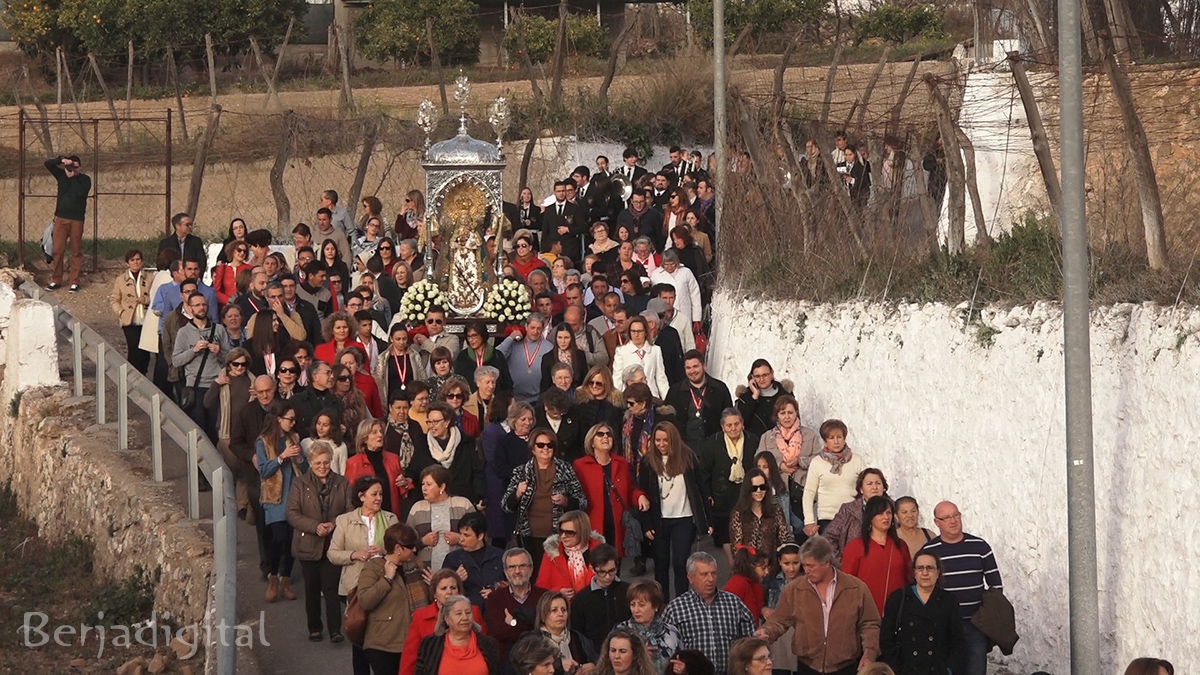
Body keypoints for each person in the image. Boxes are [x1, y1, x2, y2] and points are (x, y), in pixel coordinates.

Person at [754, 535, 881, 675]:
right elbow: (779, 620)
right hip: (807, 667)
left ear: (827, 563)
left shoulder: (856, 588)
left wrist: (869, 654)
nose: (806, 570)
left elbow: (870, 624)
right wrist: (766, 632)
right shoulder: (795, 589)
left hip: (845, 667)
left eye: (811, 566)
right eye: (804, 565)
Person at [919, 502, 1003, 675]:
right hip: (942, 626)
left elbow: (996, 585)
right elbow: (921, 587)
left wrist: (985, 616)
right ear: (936, 522)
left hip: (975, 626)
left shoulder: (980, 546)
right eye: (947, 517)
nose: (953, 521)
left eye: (956, 515)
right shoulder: (929, 552)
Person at [287, 440, 353, 641]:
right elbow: (292, 513)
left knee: (332, 589)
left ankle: (335, 630)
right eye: (318, 463)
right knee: (312, 589)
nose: (322, 467)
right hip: (308, 544)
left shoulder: (342, 483)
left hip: (333, 543)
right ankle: (314, 627)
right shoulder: (300, 483)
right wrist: (315, 526)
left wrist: (334, 523)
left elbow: (349, 509)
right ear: (310, 463)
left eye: (325, 462)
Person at [503, 428, 588, 578]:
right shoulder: (521, 472)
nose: (545, 449)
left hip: (559, 537)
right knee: (534, 577)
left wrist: (566, 501)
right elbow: (506, 506)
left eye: (550, 445)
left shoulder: (565, 469)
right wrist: (517, 494)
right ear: (533, 449)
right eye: (540, 445)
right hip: (529, 537)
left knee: (557, 577)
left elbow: (582, 502)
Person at [639, 423, 709, 599]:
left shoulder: (688, 458)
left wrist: (708, 521)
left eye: (666, 440)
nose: (661, 444)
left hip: (684, 518)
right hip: (659, 520)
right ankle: (661, 604)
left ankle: (681, 601)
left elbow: (701, 489)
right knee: (660, 564)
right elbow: (643, 493)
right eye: (658, 440)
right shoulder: (648, 462)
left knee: (680, 563)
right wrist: (646, 524)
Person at [663, 551, 755, 673]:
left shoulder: (734, 602)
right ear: (690, 577)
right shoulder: (676, 608)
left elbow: (749, 641)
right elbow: (665, 649)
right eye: (704, 574)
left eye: (713, 573)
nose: (710, 579)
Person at [357, 523, 427, 675]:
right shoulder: (374, 567)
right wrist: (387, 579)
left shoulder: (415, 566)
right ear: (397, 548)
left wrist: (434, 584)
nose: (415, 549)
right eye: (410, 546)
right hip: (383, 645)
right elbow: (365, 600)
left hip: (412, 643)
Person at [255, 403, 308, 602]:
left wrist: (299, 458)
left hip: (293, 493)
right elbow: (264, 471)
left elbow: (303, 467)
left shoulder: (294, 439)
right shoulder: (263, 442)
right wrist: (282, 457)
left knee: (291, 540)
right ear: (279, 420)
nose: (293, 423)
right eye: (290, 419)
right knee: (279, 536)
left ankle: (285, 579)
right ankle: (273, 576)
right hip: (274, 496)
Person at [574, 422, 648, 564]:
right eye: (600, 434)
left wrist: (640, 496)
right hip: (592, 526)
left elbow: (631, 489)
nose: (605, 437)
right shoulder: (580, 465)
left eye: (609, 434)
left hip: (617, 525)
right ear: (592, 441)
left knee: (614, 566)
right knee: (595, 567)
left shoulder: (621, 463)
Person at [880, 551, 963, 675]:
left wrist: (948, 669)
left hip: (937, 670)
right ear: (914, 572)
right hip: (906, 670)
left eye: (930, 568)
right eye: (920, 568)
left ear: (938, 572)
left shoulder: (949, 601)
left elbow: (957, 641)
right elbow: (886, 638)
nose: (925, 573)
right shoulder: (898, 599)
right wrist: (896, 669)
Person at [698, 408, 759, 566]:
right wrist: (708, 495)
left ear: (742, 424)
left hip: (746, 492)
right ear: (723, 427)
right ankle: (733, 566)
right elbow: (704, 471)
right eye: (729, 425)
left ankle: (747, 563)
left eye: (736, 424)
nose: (733, 428)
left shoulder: (753, 440)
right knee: (725, 533)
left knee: (747, 530)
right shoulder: (713, 442)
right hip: (721, 494)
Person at [400, 572, 488, 675]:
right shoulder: (420, 616)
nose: (449, 592)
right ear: (434, 593)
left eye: (453, 588)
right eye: (443, 588)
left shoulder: (473, 611)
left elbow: (486, 647)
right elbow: (410, 658)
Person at [841, 496, 913, 614]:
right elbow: (846, 582)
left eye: (888, 513)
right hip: (865, 611)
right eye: (880, 513)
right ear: (870, 517)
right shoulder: (856, 546)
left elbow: (908, 578)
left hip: (898, 610)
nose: (886, 517)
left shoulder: (900, 545)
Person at [173, 292, 231, 440]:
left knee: (214, 429)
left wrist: (219, 352)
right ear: (190, 308)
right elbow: (176, 361)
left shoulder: (219, 330)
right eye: (197, 305)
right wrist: (194, 350)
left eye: (204, 304)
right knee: (199, 430)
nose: (201, 308)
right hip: (195, 386)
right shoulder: (184, 332)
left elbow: (230, 359)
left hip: (216, 385)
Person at [408, 402, 486, 505]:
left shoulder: (465, 442)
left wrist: (479, 495)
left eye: (436, 422)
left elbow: (477, 471)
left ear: (447, 422)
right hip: (432, 502)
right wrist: (407, 479)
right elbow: (414, 471)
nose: (432, 426)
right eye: (429, 422)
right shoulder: (422, 444)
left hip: (461, 501)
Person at [759, 394, 820, 521]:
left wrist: (800, 461)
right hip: (777, 489)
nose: (787, 417)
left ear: (796, 413)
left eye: (790, 412)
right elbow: (759, 460)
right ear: (777, 415)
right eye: (783, 413)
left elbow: (818, 459)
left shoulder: (809, 434)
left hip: (803, 487)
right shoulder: (767, 437)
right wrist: (780, 466)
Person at [802, 419, 867, 537]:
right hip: (827, 518)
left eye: (839, 437)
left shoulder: (857, 460)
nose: (836, 441)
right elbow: (809, 493)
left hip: (854, 518)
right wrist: (809, 521)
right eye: (831, 438)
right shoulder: (817, 462)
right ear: (825, 440)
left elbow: (866, 488)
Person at [407, 464, 477, 570]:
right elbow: (406, 543)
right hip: (425, 571)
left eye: (429, 484)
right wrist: (423, 542)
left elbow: (479, 538)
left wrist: (460, 539)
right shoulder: (417, 509)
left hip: (459, 570)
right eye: (423, 484)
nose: (424, 488)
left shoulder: (463, 505)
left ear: (442, 487)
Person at [412, 594, 502, 674]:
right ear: (447, 619)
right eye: (459, 613)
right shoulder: (430, 645)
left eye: (468, 613)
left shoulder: (489, 644)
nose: (465, 617)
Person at [485, 548, 548, 660]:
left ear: (531, 569)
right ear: (505, 571)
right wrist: (532, 626)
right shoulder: (494, 598)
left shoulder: (544, 597)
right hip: (507, 661)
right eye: (512, 567)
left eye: (522, 566)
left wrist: (513, 623)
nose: (517, 571)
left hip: (540, 659)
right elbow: (500, 632)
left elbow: (548, 630)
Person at [569, 543, 631, 650]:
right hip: (594, 656)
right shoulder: (581, 599)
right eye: (602, 572)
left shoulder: (628, 591)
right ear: (593, 569)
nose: (607, 577)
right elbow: (577, 634)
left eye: (612, 571)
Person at [665, 351, 731, 449]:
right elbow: (667, 422)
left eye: (695, 366)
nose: (692, 371)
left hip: (714, 448)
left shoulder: (719, 388)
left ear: (704, 366)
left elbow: (728, 416)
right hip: (684, 450)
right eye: (688, 368)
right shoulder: (675, 391)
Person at [613, 579, 681, 673]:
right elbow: (609, 666)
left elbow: (681, 661)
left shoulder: (671, 632)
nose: (636, 610)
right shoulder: (621, 631)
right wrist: (638, 657)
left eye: (641, 605)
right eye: (633, 604)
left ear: (655, 606)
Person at [440, 511, 504, 609]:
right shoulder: (453, 559)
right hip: (466, 612)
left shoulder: (500, 556)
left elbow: (512, 583)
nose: (461, 539)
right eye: (460, 534)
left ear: (480, 536)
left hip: (495, 610)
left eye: (466, 535)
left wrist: (497, 590)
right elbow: (442, 590)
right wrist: (456, 580)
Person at [824, 468, 890, 559]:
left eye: (878, 483)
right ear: (861, 489)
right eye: (869, 484)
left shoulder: (894, 509)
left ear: (884, 487)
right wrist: (841, 563)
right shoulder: (847, 510)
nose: (874, 487)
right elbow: (828, 537)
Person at [535, 509, 604, 597]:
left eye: (569, 533)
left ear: (582, 532)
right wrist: (557, 592)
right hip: (562, 607)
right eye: (561, 531)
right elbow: (541, 587)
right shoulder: (552, 552)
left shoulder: (599, 551)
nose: (563, 536)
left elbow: (610, 580)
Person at [345, 419, 405, 516]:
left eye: (381, 432)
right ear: (365, 439)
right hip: (366, 517)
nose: (380, 435)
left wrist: (405, 484)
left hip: (390, 514)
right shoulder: (353, 463)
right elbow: (350, 496)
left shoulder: (393, 459)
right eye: (374, 432)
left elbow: (401, 491)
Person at [730, 468, 794, 555]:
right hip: (748, 564)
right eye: (754, 488)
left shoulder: (775, 510)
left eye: (763, 487)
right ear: (747, 489)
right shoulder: (739, 513)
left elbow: (785, 538)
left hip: (773, 563)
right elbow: (736, 546)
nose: (759, 491)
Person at [533, 590, 597, 673]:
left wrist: (593, 665)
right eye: (554, 610)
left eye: (563, 610)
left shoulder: (577, 637)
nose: (560, 614)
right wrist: (559, 664)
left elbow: (599, 660)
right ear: (543, 615)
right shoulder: (533, 640)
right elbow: (526, 664)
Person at [111, 249, 153, 373]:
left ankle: (143, 376)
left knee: (145, 351)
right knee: (134, 349)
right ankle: (132, 377)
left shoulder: (150, 278)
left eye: (138, 259)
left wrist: (145, 299)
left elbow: (155, 297)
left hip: (145, 320)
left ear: (142, 261)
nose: (135, 262)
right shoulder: (121, 280)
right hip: (129, 321)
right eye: (132, 260)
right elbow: (114, 299)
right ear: (127, 263)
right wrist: (121, 312)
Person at [763, 542, 802, 674]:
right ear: (779, 561)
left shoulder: (807, 581)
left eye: (796, 563)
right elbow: (761, 600)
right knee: (779, 666)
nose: (791, 568)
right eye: (787, 564)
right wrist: (763, 609)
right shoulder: (771, 580)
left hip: (797, 630)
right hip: (777, 632)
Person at [612, 316, 668, 398]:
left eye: (639, 331)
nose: (636, 335)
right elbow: (617, 378)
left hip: (652, 396)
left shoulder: (655, 350)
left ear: (645, 332)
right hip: (630, 397)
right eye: (633, 331)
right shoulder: (621, 351)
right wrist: (619, 399)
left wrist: (667, 399)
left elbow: (661, 379)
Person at [735, 360, 794, 439]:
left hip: (782, 444)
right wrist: (754, 397)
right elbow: (740, 423)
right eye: (757, 376)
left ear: (772, 374)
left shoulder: (785, 395)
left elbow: (794, 420)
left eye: (765, 375)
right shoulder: (745, 398)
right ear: (752, 377)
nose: (761, 379)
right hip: (755, 445)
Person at [373, 324, 429, 399]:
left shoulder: (415, 356)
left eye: (404, 339)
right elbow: (379, 382)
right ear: (391, 339)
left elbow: (422, 378)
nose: (402, 342)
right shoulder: (383, 358)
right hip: (391, 401)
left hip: (411, 400)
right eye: (398, 339)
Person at [724, 546, 771, 627]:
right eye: (763, 568)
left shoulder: (756, 585)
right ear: (751, 566)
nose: (767, 572)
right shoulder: (737, 584)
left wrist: (762, 610)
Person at [542, 323, 589, 392]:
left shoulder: (580, 355)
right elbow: (545, 385)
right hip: (554, 397)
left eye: (566, 337)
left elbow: (585, 380)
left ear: (571, 338)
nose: (563, 341)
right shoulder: (547, 357)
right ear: (556, 338)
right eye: (560, 337)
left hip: (576, 397)